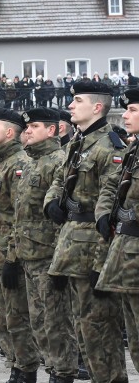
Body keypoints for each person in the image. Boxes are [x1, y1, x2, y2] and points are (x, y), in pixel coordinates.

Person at [44, 80, 128, 383]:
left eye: (77, 100)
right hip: (71, 244)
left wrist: (100, 264)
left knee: (100, 327)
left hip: (93, 247)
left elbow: (112, 206)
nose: (70, 106)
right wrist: (51, 202)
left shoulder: (111, 146)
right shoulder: (77, 142)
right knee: (83, 328)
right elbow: (59, 178)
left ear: (96, 107)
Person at [15, 107, 78, 382]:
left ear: (52, 130)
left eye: (35, 126)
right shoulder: (30, 162)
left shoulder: (59, 161)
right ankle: (52, 369)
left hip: (50, 255)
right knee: (39, 321)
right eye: (27, 127)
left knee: (56, 323)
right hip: (29, 253)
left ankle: (62, 374)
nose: (27, 130)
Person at [0, 109, 38, 382]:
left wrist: (12, 260)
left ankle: (25, 372)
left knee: (17, 320)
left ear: (10, 132)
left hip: (8, 257)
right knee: (1, 320)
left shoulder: (19, 164)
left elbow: (20, 217)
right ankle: (16, 367)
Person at [97, 88, 139, 373]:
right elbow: (112, 186)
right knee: (135, 337)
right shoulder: (133, 150)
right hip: (126, 254)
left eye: (133, 110)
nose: (125, 115)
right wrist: (103, 213)